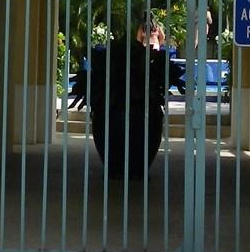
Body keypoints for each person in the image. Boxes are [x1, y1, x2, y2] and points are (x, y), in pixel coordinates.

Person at [69, 14, 184, 177]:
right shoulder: (147, 30)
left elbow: (157, 38)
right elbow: (144, 39)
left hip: (150, 53)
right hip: (145, 52)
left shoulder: (153, 29)